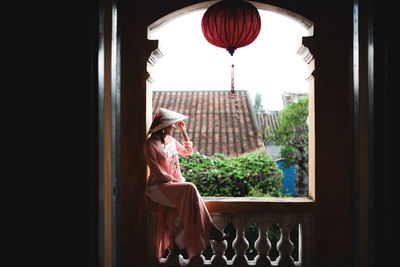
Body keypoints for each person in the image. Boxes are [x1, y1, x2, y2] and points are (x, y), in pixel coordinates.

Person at [143, 107, 229, 260]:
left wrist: (183, 132)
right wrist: (177, 181)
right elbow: (158, 173)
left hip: (172, 185)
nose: (174, 126)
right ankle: (210, 230)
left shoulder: (170, 140)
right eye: (172, 124)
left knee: (189, 196)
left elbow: (188, 151)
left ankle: (204, 232)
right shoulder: (150, 145)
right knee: (190, 187)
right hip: (157, 187)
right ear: (163, 126)